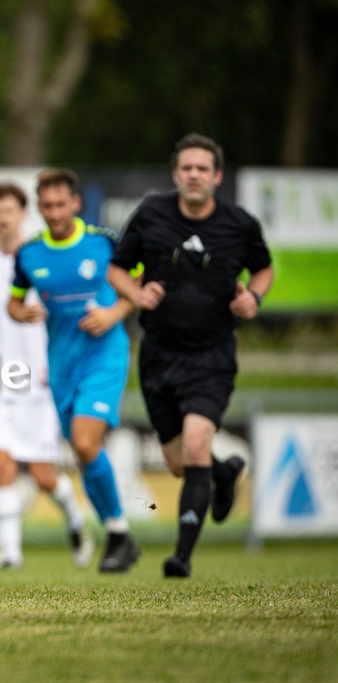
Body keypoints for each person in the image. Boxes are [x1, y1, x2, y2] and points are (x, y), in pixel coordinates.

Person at [107, 133, 273, 579]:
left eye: (203, 168)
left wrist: (254, 298)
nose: (194, 175)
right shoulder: (151, 215)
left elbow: (264, 267)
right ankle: (223, 473)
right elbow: (117, 269)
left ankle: (180, 558)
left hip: (212, 356)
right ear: (176, 174)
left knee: (198, 442)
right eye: (186, 168)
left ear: (217, 176)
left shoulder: (240, 223)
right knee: (181, 463)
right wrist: (137, 294)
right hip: (158, 357)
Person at [8, 168, 140, 573]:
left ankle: (118, 533)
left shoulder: (104, 243)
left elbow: (139, 284)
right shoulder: (28, 254)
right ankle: (118, 533)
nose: (54, 212)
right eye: (46, 206)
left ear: (76, 203)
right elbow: (14, 303)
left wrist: (115, 312)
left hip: (104, 356)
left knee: (84, 442)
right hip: (60, 365)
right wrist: (23, 311)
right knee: (85, 454)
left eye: (61, 204)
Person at [0, 183, 93, 569]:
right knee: (1, 463)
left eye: (9, 210)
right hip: (0, 379)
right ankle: (11, 556)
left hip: (42, 381)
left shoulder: (41, 260)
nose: (3, 217)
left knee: (44, 475)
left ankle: (77, 521)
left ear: (23, 213)